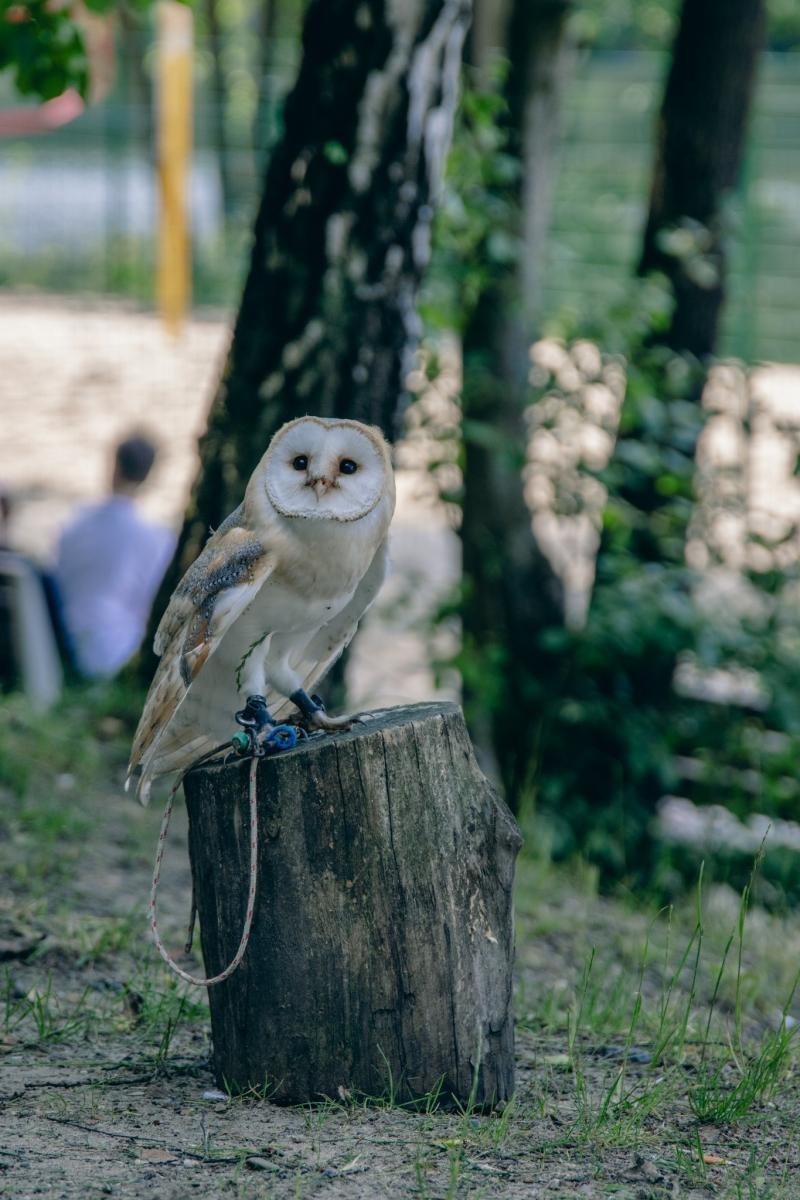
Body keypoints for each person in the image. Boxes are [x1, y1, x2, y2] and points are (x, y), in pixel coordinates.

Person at [53, 434, 176, 679]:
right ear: (149, 475)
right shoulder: (157, 540)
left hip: (62, 639)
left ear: (114, 466)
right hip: (118, 651)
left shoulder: (74, 525)